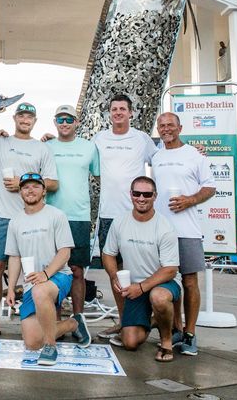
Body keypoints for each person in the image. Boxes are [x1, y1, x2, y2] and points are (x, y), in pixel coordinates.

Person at [0, 102, 57, 340]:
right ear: (15, 118)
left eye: (30, 116)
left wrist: (24, 182)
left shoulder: (41, 148)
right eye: (21, 115)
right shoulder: (0, 142)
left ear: (35, 121)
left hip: (31, 218)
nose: (25, 120)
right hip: (2, 217)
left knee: (35, 271)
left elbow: (53, 182)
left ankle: (40, 321)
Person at [91, 93, 157, 341]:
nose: (118, 112)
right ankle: (123, 321)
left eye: (122, 109)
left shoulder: (142, 139)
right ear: (109, 113)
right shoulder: (99, 138)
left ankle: (147, 318)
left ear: (131, 113)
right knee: (115, 273)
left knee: (141, 269)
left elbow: (161, 160)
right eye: (114, 109)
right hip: (108, 215)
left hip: (137, 214)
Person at [153, 112, 215, 356]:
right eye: (162, 126)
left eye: (170, 125)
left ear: (180, 128)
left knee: (190, 281)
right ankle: (176, 329)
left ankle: (190, 334)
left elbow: (209, 187)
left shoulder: (194, 154)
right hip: (160, 230)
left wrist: (190, 200)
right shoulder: (156, 155)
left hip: (187, 229)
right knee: (167, 282)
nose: (166, 129)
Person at [4, 173, 83, 366]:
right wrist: (12, 288)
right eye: (25, 187)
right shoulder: (15, 222)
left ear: (44, 190)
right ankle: (73, 324)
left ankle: (50, 346)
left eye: (35, 186)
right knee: (31, 343)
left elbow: (65, 252)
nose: (30, 190)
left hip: (58, 277)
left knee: (41, 290)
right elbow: (14, 257)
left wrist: (46, 274)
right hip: (32, 283)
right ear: (20, 192)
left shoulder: (56, 215)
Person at [101, 176, 181, 362]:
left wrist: (142, 287)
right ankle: (154, 319)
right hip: (135, 288)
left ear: (155, 196)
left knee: (158, 297)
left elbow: (170, 269)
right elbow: (108, 254)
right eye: (137, 193)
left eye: (147, 194)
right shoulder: (120, 222)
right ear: (131, 195)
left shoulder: (165, 227)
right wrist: (114, 276)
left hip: (164, 284)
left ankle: (166, 341)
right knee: (130, 343)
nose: (141, 198)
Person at [43, 104, 98, 342]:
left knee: (77, 271)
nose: (64, 123)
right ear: (54, 123)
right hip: (51, 215)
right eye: (60, 119)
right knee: (53, 270)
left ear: (77, 122)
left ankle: (78, 320)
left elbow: (104, 174)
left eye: (69, 119)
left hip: (79, 216)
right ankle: (55, 322)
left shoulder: (89, 147)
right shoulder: (46, 146)